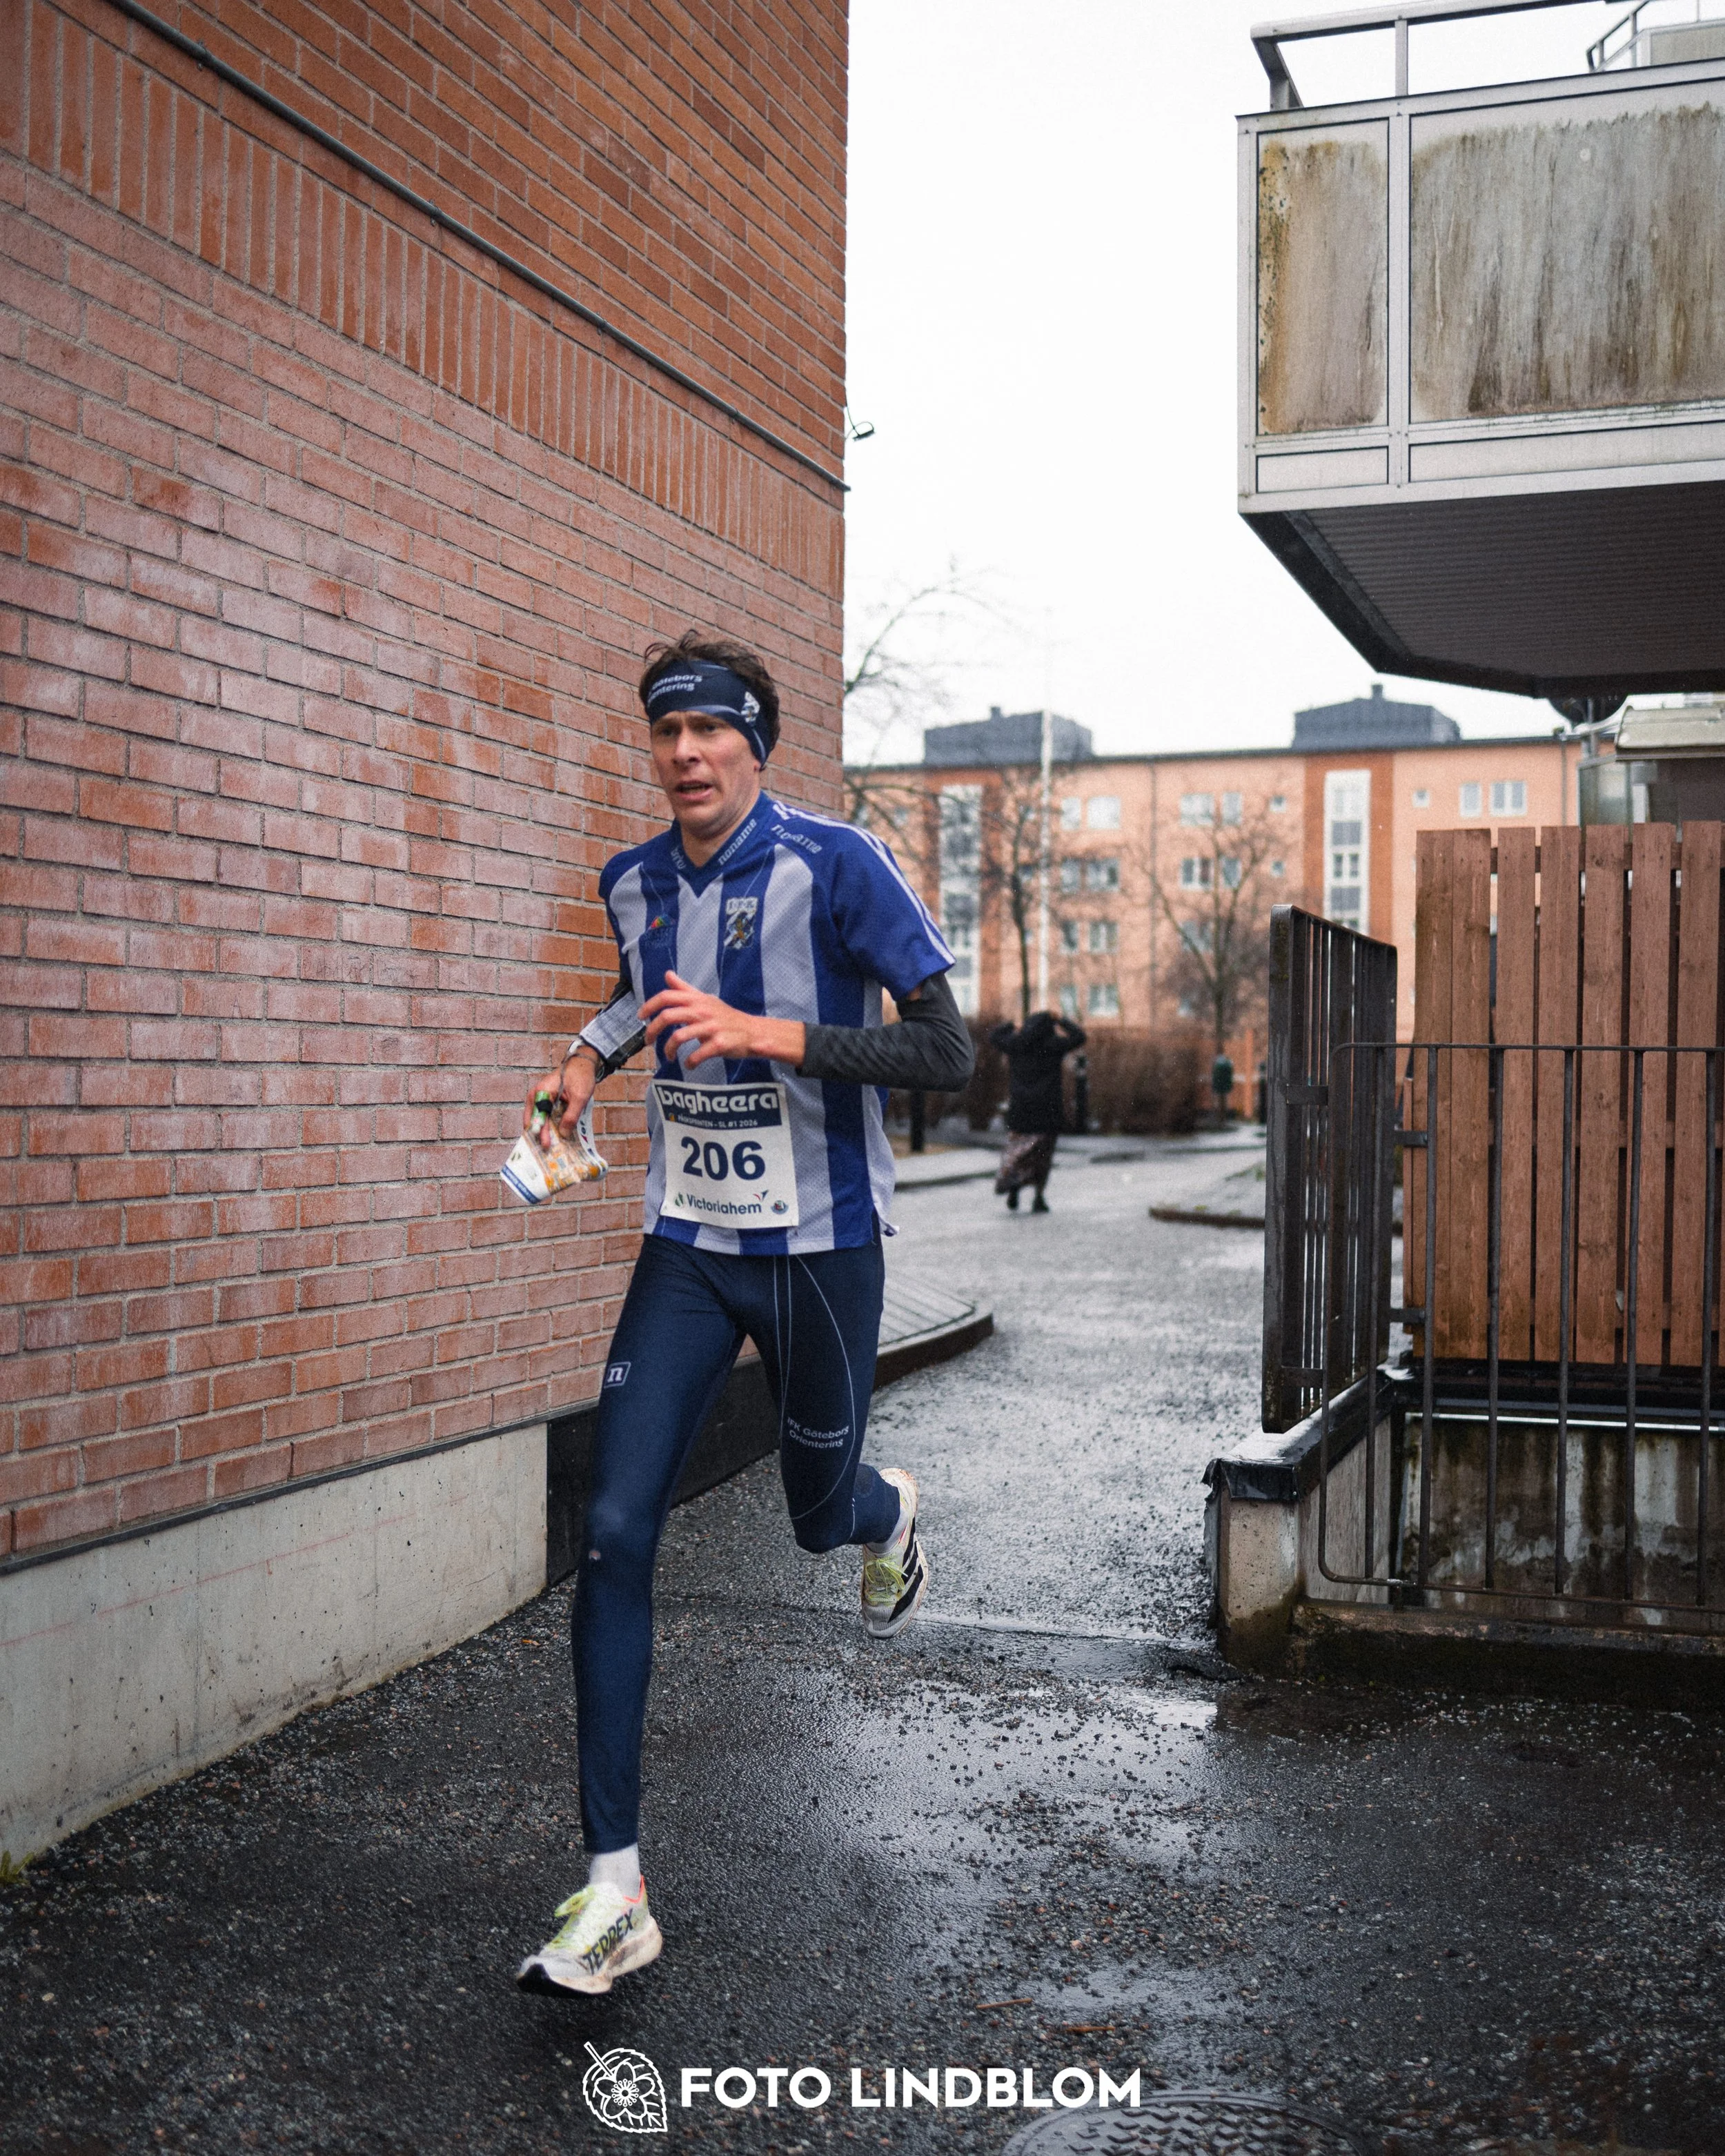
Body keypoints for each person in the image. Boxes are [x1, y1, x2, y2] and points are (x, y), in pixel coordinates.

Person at [513, 631, 975, 1998]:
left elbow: (947, 1048)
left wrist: (769, 1032)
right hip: (689, 1246)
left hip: (820, 1251)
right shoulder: (631, 878)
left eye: (709, 729)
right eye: (665, 733)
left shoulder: (836, 866)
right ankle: (614, 1889)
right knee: (609, 1531)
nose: (685, 754)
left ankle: (884, 1513)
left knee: (812, 1505)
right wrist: (584, 1062)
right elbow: (643, 989)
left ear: (753, 743)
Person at [989, 1009, 1086, 1214]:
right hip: (1047, 1110)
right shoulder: (1054, 1046)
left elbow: (994, 1036)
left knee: (1017, 1150)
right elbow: (1079, 1037)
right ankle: (1038, 1197)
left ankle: (1013, 1186)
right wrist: (1061, 1019)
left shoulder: (1016, 1045)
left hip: (1021, 1110)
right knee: (1043, 1156)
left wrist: (1012, 1025)